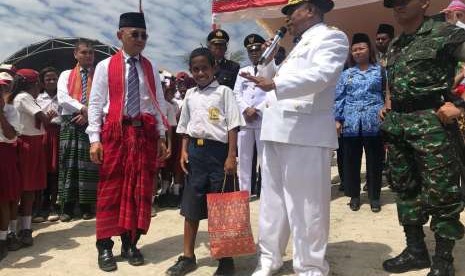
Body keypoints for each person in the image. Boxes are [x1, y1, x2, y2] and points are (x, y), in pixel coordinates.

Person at [241, 0, 349, 275]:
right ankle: (269, 258)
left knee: (306, 205)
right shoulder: (296, 45)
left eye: (292, 11)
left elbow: (323, 74)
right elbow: (267, 81)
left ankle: (310, 266)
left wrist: (277, 83)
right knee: (271, 202)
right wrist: (268, 60)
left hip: (305, 131)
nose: (288, 18)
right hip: (276, 129)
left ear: (310, 9)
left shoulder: (331, 37)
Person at [380, 0, 465, 275]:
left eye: (405, 1)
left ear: (425, 2)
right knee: (405, 189)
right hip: (399, 128)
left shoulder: (447, 33)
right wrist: (389, 104)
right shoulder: (395, 44)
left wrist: (461, 106)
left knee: (442, 193)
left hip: (433, 126)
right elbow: (394, 81)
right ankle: (416, 250)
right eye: (393, 3)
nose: (398, 6)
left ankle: (443, 263)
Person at [86, 12, 167, 272]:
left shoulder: (150, 67)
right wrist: (94, 139)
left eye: (144, 35)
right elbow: (96, 104)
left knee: (139, 192)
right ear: (120, 35)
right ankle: (105, 246)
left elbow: (157, 103)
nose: (141, 39)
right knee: (111, 191)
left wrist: (163, 136)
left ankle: (130, 242)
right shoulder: (105, 66)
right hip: (115, 136)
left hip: (143, 137)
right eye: (135, 34)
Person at [165, 47, 244, 276]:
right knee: (191, 206)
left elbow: (232, 126)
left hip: (219, 155)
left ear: (214, 68)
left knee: (222, 207)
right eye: (196, 69)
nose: (200, 73)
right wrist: (183, 152)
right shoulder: (189, 95)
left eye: (205, 68)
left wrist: (231, 156)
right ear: (191, 71)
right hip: (196, 156)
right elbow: (185, 128)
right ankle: (188, 256)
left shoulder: (224, 92)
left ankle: (225, 259)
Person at [334, 33, 385, 212]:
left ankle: (374, 197)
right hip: (351, 122)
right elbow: (339, 97)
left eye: (361, 48)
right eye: (354, 50)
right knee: (351, 161)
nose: (357, 52)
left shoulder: (379, 71)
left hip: (374, 121)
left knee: (375, 160)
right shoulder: (346, 74)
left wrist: (386, 109)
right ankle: (354, 196)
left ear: (369, 49)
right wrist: (337, 120)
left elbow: (387, 94)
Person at [57, 39, 99, 222]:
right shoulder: (66, 75)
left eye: (90, 52)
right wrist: (83, 109)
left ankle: (85, 207)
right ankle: (66, 207)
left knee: (87, 165)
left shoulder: (99, 75)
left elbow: (104, 99)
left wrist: (89, 115)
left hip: (91, 124)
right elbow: (62, 98)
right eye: (84, 52)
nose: (88, 55)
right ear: (75, 54)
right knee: (69, 164)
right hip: (70, 122)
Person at [12, 69, 51, 247]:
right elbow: (44, 118)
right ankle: (18, 230)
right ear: (33, 84)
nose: (39, 88)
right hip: (27, 144)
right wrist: (48, 117)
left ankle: (22, 228)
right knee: (25, 188)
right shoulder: (23, 97)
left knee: (29, 189)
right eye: (38, 84)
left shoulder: (25, 97)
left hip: (32, 143)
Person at [233, 34, 267, 195]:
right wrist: (246, 109)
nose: (254, 53)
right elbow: (236, 94)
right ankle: (244, 193)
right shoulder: (242, 71)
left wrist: (258, 109)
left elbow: (272, 93)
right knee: (244, 160)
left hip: (262, 120)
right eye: (251, 51)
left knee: (265, 159)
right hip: (245, 121)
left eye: (257, 50)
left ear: (263, 50)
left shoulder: (269, 70)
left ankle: (266, 192)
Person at [0, 73, 22, 260]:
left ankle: (5, 238)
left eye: (3, 88)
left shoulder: (10, 110)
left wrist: (0, 113)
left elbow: (10, 136)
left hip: (5, 153)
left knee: (6, 198)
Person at [34, 67, 61, 223]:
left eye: (54, 79)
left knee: (55, 170)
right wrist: (45, 118)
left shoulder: (63, 97)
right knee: (42, 170)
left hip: (58, 134)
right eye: (48, 79)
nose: (51, 81)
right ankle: (39, 206)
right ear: (42, 83)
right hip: (43, 135)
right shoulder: (38, 98)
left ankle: (53, 205)